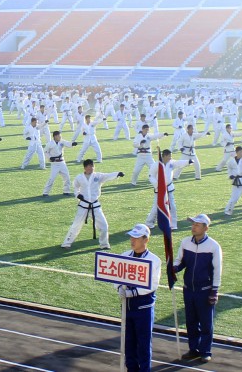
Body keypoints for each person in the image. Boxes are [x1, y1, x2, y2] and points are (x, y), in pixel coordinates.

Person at [173, 214, 222, 364]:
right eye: (193, 224)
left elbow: (217, 270)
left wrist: (214, 291)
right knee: (191, 322)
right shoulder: (185, 242)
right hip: (188, 290)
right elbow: (180, 261)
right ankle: (193, 349)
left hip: (205, 290)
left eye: (197, 225)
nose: (193, 227)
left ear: (206, 228)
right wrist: (174, 268)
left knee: (206, 323)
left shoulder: (213, 246)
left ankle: (205, 351)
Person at [116, 224, 161, 372]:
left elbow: (152, 284)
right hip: (127, 307)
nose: (132, 240)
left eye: (136, 237)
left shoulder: (154, 260)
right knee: (128, 343)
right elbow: (115, 275)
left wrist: (132, 293)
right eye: (131, 237)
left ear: (145, 239)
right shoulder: (124, 255)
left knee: (143, 344)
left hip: (144, 309)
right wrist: (119, 289)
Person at [62, 159, 125, 250]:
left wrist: (117, 174)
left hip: (95, 205)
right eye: (89, 166)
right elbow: (75, 186)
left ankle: (104, 244)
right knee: (76, 225)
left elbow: (107, 176)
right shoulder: (79, 177)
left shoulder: (98, 176)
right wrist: (78, 194)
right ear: (85, 167)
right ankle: (66, 243)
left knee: (104, 226)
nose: (91, 168)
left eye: (92, 166)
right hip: (83, 205)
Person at [144, 150, 190, 229]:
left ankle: (173, 225)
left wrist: (188, 162)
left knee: (172, 206)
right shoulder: (156, 165)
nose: (170, 157)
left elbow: (178, 163)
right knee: (156, 207)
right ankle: (149, 223)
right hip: (159, 188)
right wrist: (157, 185)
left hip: (169, 187)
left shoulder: (171, 163)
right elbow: (151, 176)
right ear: (164, 156)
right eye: (169, 156)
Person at [42, 131, 77, 196]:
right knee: (52, 178)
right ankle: (45, 192)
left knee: (67, 177)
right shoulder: (50, 144)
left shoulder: (62, 141)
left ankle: (66, 191)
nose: (60, 137)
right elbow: (45, 152)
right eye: (59, 136)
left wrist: (72, 144)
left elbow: (68, 143)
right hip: (55, 163)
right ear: (55, 136)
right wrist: (50, 158)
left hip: (62, 162)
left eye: (60, 136)